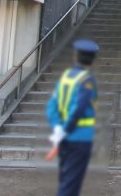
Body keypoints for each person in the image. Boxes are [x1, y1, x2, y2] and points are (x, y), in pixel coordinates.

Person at [46, 39, 100, 196]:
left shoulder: (65, 77)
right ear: (92, 60)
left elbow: (52, 106)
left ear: (76, 56)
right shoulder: (86, 80)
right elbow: (79, 108)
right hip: (80, 138)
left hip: (63, 138)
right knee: (70, 184)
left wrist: (57, 128)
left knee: (65, 179)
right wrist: (66, 129)